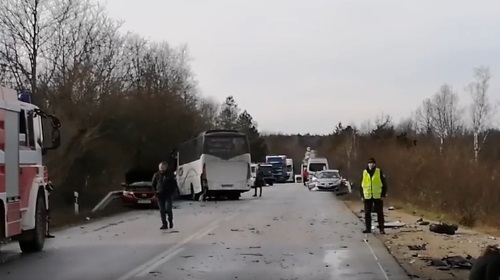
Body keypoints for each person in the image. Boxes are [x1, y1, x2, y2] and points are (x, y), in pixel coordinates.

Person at [359, 157, 387, 234]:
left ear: (375, 164)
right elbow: (361, 185)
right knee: (367, 213)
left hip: (377, 196)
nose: (371, 164)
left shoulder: (379, 172)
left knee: (380, 213)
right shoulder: (364, 172)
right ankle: (368, 228)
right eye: (370, 163)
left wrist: (383, 194)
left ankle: (381, 229)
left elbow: (384, 183)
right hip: (367, 196)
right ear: (368, 164)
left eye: (372, 163)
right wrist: (362, 195)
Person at [152, 161, 177, 230]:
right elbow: (153, 185)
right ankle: (164, 224)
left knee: (168, 209)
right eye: (160, 167)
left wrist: (173, 192)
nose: (162, 168)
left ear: (166, 167)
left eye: (163, 167)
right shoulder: (156, 175)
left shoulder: (170, 175)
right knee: (162, 210)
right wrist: (155, 193)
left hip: (168, 195)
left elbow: (174, 185)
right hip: (160, 195)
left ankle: (170, 222)